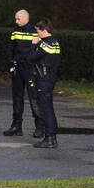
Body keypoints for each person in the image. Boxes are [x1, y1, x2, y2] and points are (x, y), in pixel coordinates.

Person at [4, 9, 44, 138]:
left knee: (34, 98)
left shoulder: (35, 31)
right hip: (18, 68)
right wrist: (11, 61)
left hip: (30, 69)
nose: (16, 21)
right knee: (17, 97)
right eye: (15, 18)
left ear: (26, 18)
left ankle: (39, 127)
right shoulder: (15, 31)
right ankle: (16, 126)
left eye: (18, 18)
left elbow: (39, 50)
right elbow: (11, 47)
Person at [27, 19, 61, 148]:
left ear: (43, 30)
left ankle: (49, 138)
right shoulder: (55, 42)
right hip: (50, 78)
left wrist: (33, 44)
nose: (36, 33)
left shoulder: (45, 44)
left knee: (45, 109)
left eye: (37, 30)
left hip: (43, 79)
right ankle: (52, 137)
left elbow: (31, 58)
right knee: (49, 108)